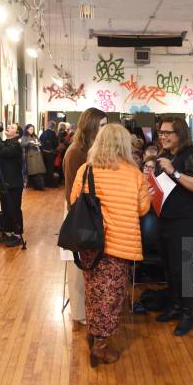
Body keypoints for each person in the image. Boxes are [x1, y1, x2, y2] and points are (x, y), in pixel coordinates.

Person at [69, 123, 150, 367]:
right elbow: (143, 208)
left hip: (90, 243)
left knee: (94, 291)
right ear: (124, 145)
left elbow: (75, 200)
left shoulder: (86, 170)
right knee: (111, 296)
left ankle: (94, 334)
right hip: (118, 244)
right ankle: (100, 348)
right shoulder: (134, 173)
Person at [155, 117, 193, 336]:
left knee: (184, 270)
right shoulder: (166, 154)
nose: (164, 136)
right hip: (167, 219)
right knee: (169, 267)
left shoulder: (192, 156)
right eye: (161, 133)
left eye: (169, 133)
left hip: (186, 221)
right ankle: (176, 306)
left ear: (181, 134)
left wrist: (174, 172)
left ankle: (187, 313)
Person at [62, 108, 108, 326]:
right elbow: (73, 191)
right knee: (77, 265)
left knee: (87, 264)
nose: (105, 130)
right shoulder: (76, 152)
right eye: (102, 125)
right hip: (79, 213)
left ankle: (87, 311)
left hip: (88, 213)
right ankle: (79, 313)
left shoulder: (90, 149)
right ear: (91, 127)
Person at [0, 124, 25, 247]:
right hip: (4, 182)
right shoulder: (7, 142)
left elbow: (3, 151)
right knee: (5, 208)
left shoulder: (16, 145)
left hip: (14, 184)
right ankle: (7, 233)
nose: (8, 127)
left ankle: (17, 235)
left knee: (14, 209)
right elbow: (0, 151)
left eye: (12, 127)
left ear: (16, 134)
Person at [21, 124, 46, 190]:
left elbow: (40, 142)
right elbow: (22, 144)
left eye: (32, 129)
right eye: (30, 129)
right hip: (30, 156)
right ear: (27, 129)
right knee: (33, 172)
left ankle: (39, 186)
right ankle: (37, 186)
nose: (32, 130)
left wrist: (39, 144)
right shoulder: (24, 137)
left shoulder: (35, 136)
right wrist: (29, 143)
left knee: (38, 171)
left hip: (37, 155)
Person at [40, 121, 59, 187]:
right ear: (54, 126)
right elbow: (56, 143)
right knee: (50, 168)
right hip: (50, 153)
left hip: (43, 153)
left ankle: (44, 183)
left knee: (44, 168)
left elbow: (40, 140)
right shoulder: (53, 133)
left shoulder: (44, 132)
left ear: (48, 125)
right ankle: (49, 184)